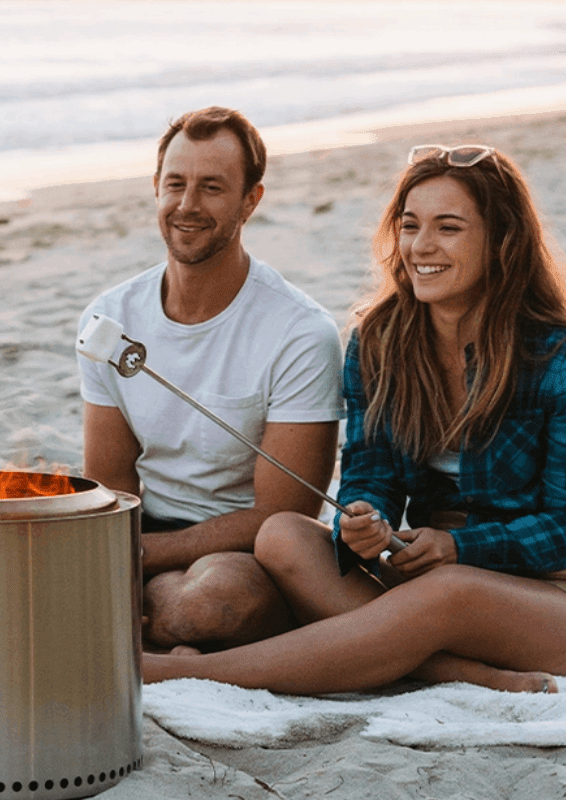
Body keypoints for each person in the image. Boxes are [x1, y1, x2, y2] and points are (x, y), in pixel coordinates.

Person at [144, 144, 566, 694]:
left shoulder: (553, 356)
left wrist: (462, 548)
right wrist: (366, 519)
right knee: (283, 537)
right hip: (425, 566)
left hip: (543, 591)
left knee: (449, 593)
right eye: (410, 225)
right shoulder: (380, 340)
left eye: (449, 228)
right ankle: (454, 671)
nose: (422, 247)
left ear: (502, 241)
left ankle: (182, 672)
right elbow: (371, 470)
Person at [78, 106, 343, 652]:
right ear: (155, 188)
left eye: (212, 187)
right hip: (145, 532)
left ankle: (154, 627)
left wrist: (144, 558)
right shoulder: (109, 318)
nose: (187, 205)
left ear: (251, 200)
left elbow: (284, 513)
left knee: (210, 603)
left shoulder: (300, 331)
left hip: (249, 550)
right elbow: (111, 482)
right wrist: (118, 559)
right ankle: (152, 622)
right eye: (175, 184)